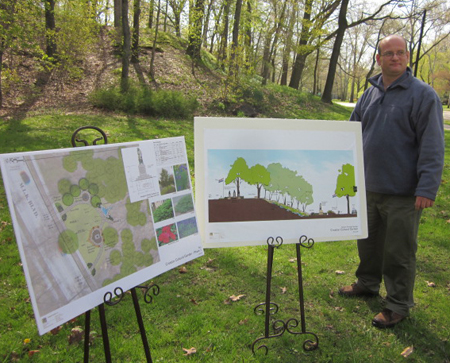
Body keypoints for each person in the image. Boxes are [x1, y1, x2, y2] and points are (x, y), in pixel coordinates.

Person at [339, 35, 445, 328]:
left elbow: (433, 145)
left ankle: (397, 304)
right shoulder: (369, 93)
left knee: (398, 251)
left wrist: (426, 187)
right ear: (379, 59)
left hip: (404, 193)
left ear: (408, 57)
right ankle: (367, 283)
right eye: (388, 53)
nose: (394, 58)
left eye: (400, 53)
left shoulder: (423, 95)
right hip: (368, 186)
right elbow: (351, 134)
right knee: (368, 244)